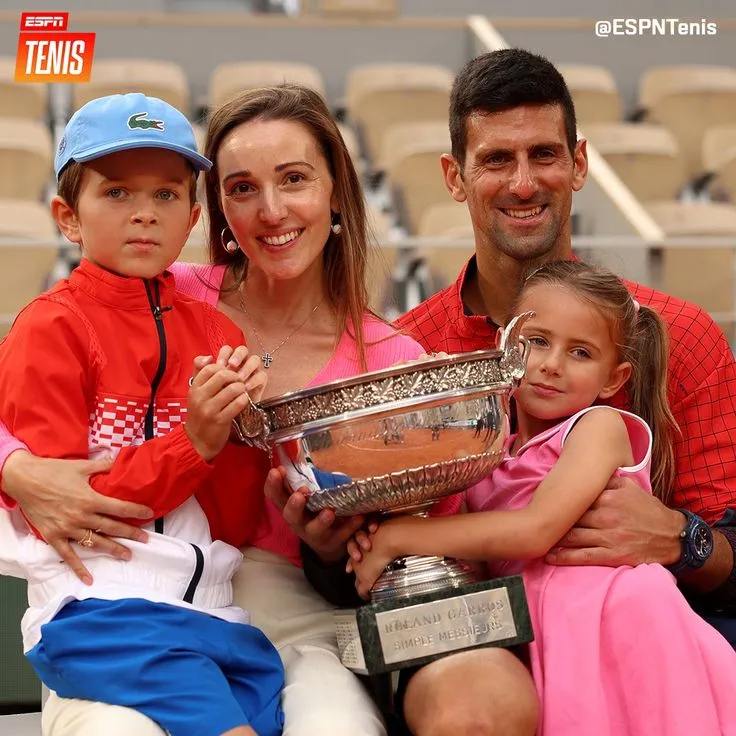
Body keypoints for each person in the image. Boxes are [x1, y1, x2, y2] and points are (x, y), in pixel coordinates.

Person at [302, 49, 736, 736]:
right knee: (472, 707)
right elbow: (372, 559)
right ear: (455, 176)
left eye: (545, 154)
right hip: (471, 632)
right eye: (498, 159)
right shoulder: (406, 353)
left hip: (634, 627)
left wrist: (680, 538)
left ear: (581, 163)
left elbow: (731, 547)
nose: (525, 182)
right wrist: (332, 543)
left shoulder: (677, 332)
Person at [0, 84, 439, 736]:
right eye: (241, 187)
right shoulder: (137, 286)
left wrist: (324, 533)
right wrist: (16, 468)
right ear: (217, 210)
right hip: (111, 597)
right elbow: (55, 452)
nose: (270, 209)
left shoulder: (387, 355)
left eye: (294, 179)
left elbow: (236, 511)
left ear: (337, 193)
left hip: (265, 605)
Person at [348, 260, 736, 735]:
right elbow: (472, 557)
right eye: (537, 342)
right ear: (504, 347)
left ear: (613, 379)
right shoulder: (486, 454)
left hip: (619, 624)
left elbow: (535, 530)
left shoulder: (599, 428)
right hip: (543, 633)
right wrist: (384, 560)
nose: (551, 364)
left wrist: (401, 537)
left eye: (580, 352)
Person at [0, 93, 285, 736]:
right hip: (100, 615)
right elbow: (72, 515)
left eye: (165, 196)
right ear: (69, 218)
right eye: (118, 193)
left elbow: (234, 521)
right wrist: (196, 443)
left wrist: (242, 437)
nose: (144, 216)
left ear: (192, 217)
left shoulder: (214, 331)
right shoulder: (50, 327)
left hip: (215, 615)